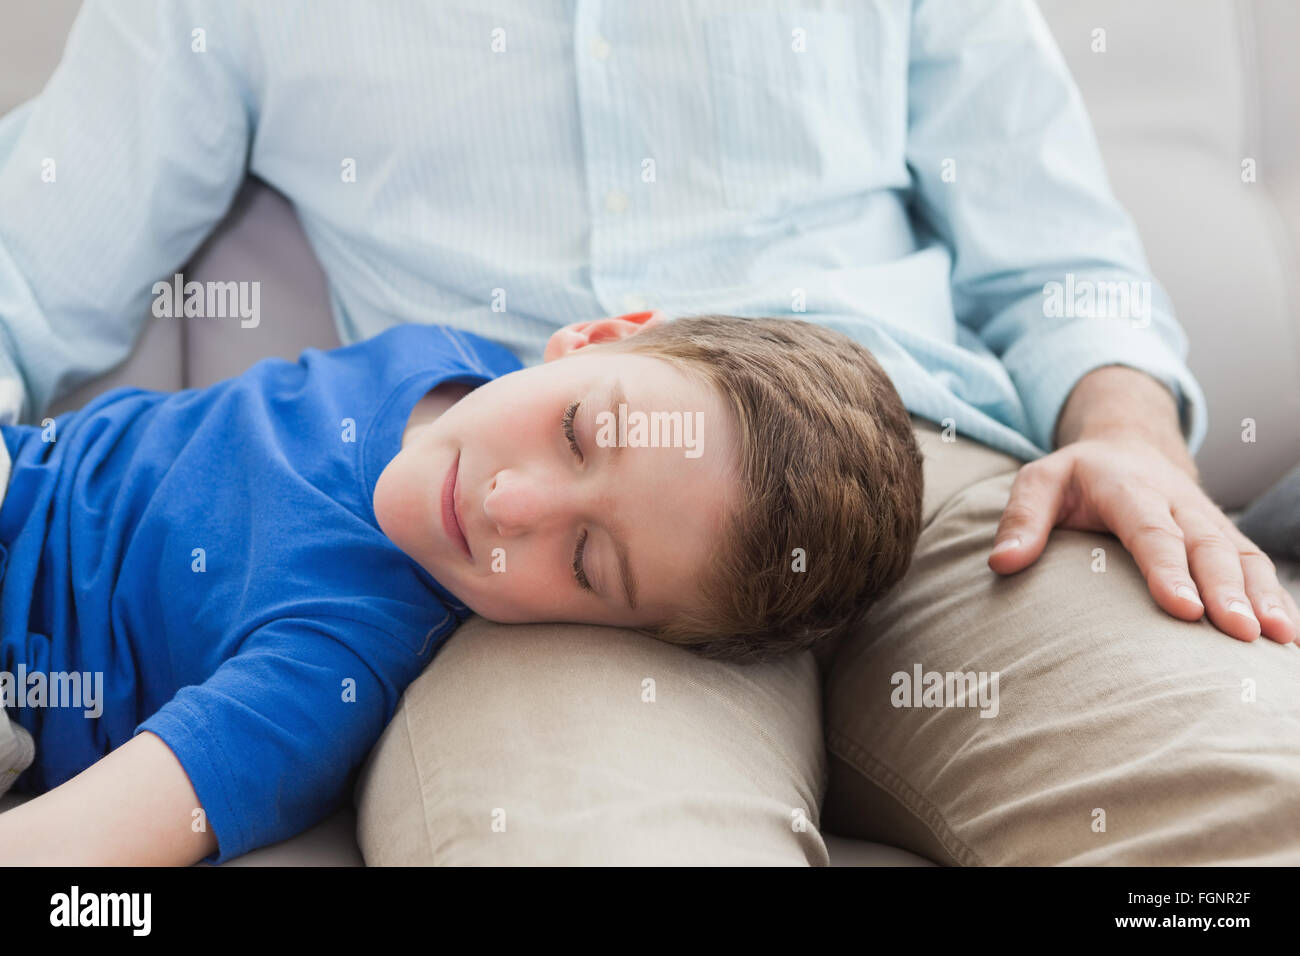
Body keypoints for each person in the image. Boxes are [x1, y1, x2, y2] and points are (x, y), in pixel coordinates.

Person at [1, 0, 1296, 865]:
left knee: (1246, 782)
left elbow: (1058, 247)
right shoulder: (459, 527)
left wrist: (1131, 431)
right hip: (528, 604)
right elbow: (25, 263)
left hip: (956, 482)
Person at [0, 312, 922, 864]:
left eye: (587, 562)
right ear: (597, 335)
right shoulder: (445, 353)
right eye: (577, 433)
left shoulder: (336, 666)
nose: (510, 504)